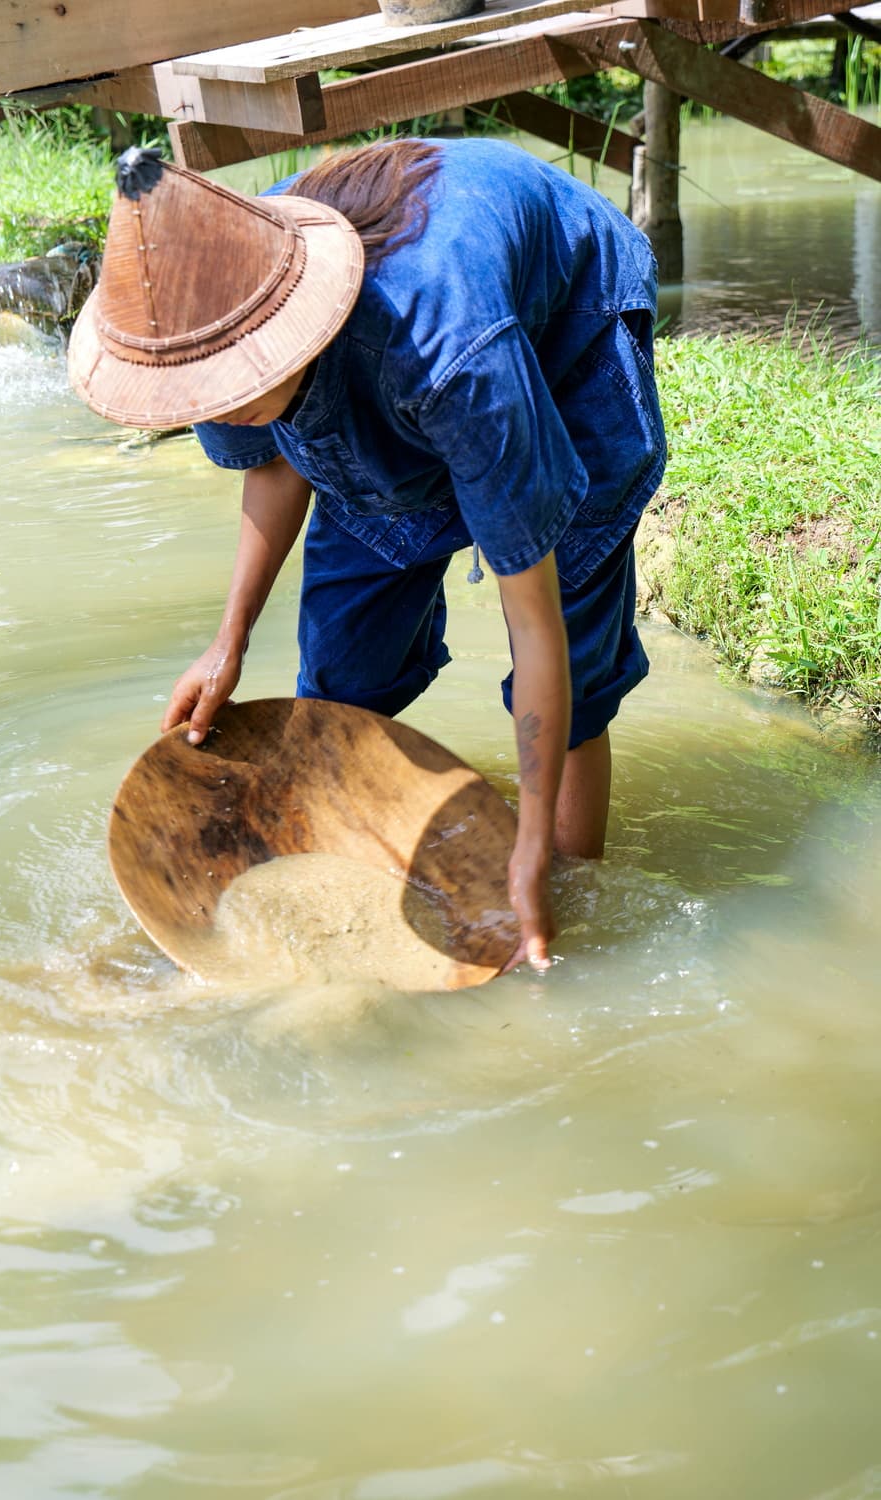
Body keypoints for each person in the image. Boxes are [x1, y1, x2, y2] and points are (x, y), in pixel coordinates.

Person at [68, 137, 666, 973]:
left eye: (238, 392)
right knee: (341, 682)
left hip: (567, 331)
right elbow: (272, 461)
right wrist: (228, 639)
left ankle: (560, 917)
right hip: (383, 356)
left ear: (289, 339)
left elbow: (536, 628)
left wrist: (528, 845)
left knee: (575, 645)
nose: (218, 410)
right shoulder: (203, 309)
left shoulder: (453, 357)